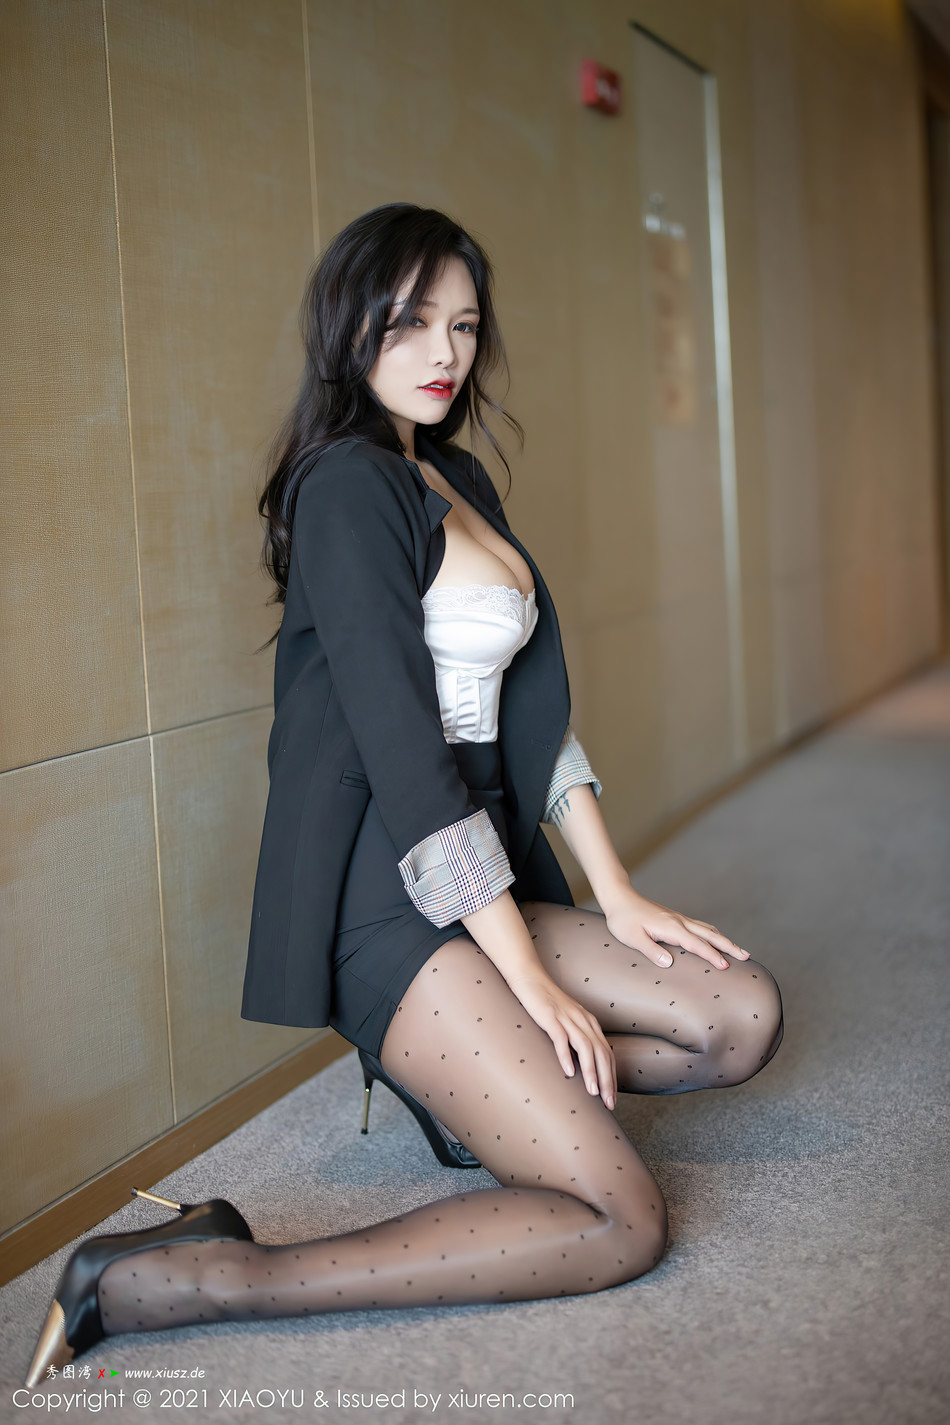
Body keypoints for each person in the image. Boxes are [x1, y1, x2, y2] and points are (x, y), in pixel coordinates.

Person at [25, 204, 783, 1387]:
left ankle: (469, 1089)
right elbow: (407, 761)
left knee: (738, 1015)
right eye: (412, 321)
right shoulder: (343, 486)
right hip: (386, 900)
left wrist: (615, 891)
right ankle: (180, 1276)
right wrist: (529, 980)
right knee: (617, 1223)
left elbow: (526, 711)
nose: (444, 352)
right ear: (351, 326)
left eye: (464, 326)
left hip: (483, 873)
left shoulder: (453, 472)